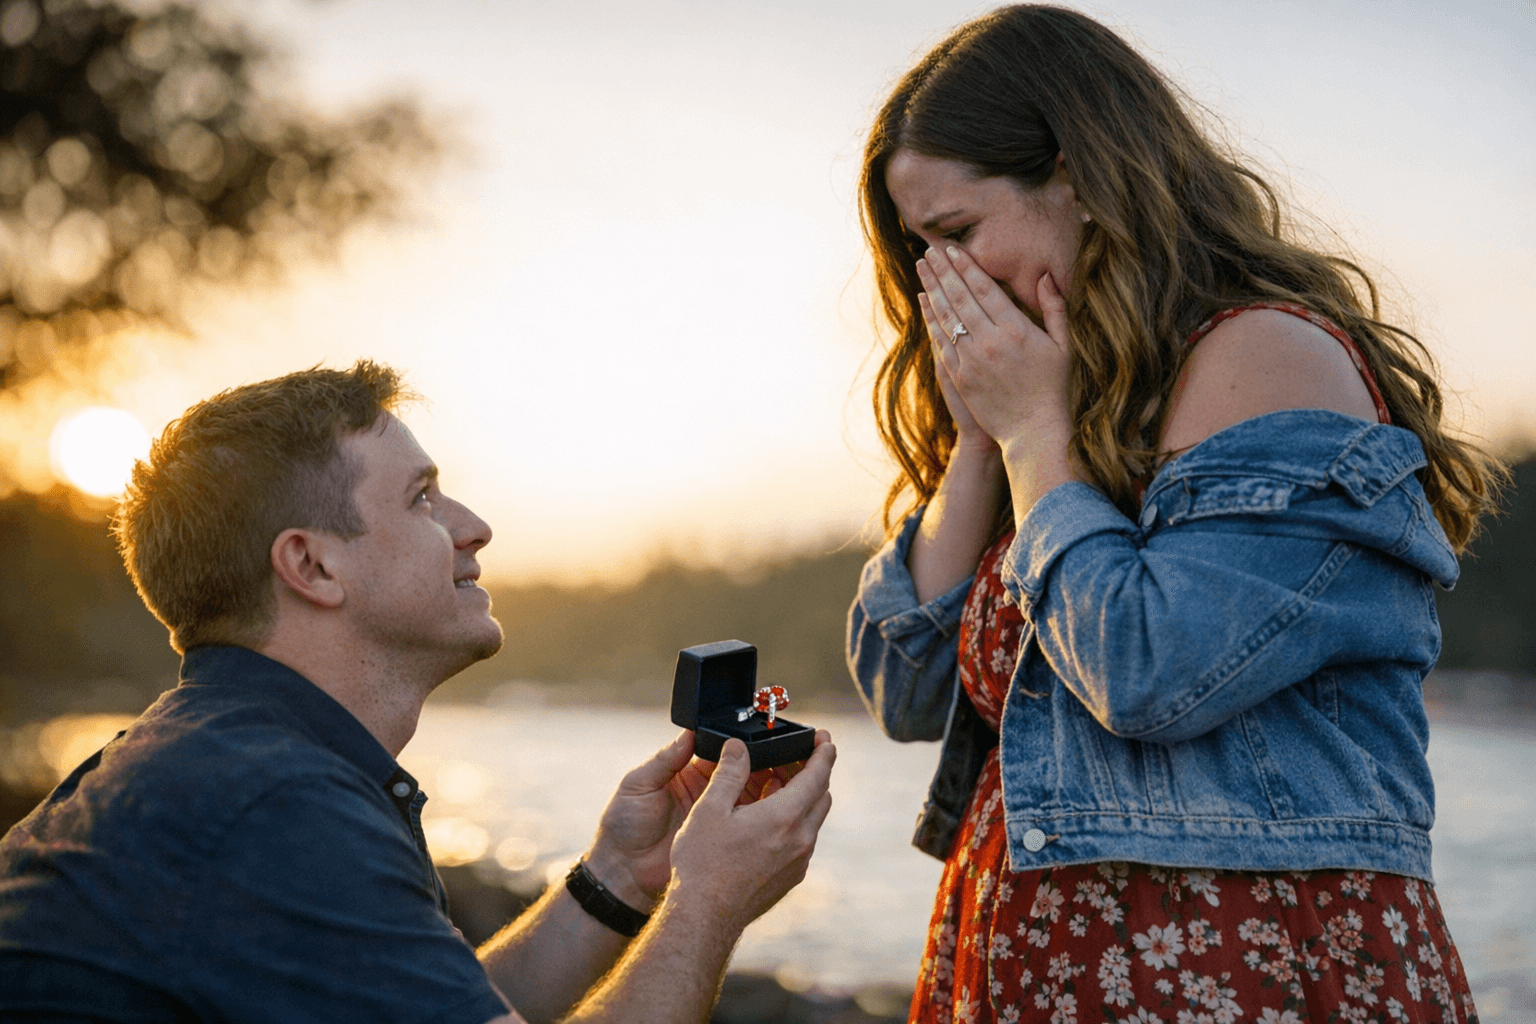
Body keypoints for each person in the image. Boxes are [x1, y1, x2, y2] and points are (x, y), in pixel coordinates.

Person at [845, 6, 1501, 1022]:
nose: (946, 283)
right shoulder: (1055, 413)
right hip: (1030, 959)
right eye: (922, 250)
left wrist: (1031, 438)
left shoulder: (1267, 360)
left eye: (960, 234)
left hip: (1251, 965)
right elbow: (905, 689)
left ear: (1080, 176)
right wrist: (980, 440)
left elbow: (1151, 668)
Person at [0, 361, 836, 1023]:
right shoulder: (270, 806)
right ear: (314, 566)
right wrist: (709, 902)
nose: (474, 525)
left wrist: (621, 873)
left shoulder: (213, 760)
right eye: (421, 497)